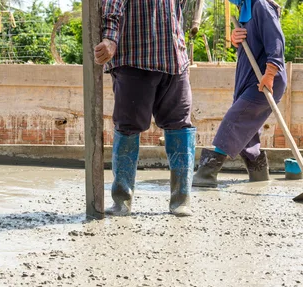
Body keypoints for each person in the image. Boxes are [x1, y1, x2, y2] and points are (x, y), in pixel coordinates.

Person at [95, 0, 196, 217]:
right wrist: (111, 38)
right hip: (136, 57)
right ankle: (122, 200)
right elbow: (112, 6)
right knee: (128, 126)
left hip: (174, 59)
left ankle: (181, 199)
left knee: (181, 125)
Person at [193, 0, 286, 187]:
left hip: (264, 79)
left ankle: (206, 174)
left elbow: (276, 40)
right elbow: (253, 44)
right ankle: (259, 176)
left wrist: (269, 74)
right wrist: (236, 39)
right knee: (248, 131)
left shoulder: (260, 5)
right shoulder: (245, 8)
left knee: (235, 120)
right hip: (248, 77)